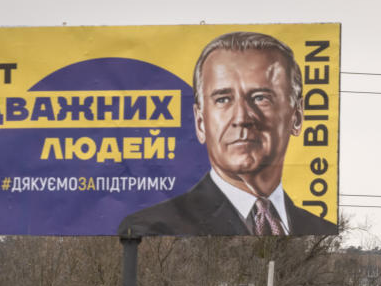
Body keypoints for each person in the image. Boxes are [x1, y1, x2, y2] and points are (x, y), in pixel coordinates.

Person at [118, 32, 337, 237]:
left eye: (261, 97)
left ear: (296, 116)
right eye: (223, 99)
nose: (241, 117)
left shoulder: (320, 230)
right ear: (201, 122)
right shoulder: (154, 228)